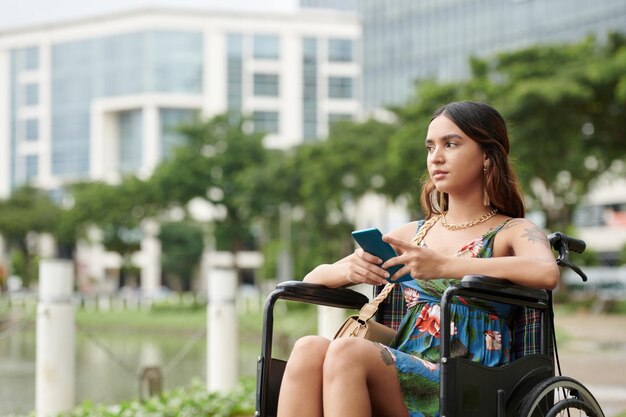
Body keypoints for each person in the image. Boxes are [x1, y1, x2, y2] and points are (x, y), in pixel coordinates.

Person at [275, 101, 560, 417]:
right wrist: (350, 270)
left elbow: (546, 272)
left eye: (451, 144)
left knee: (347, 352)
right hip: (401, 365)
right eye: (430, 147)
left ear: (486, 156)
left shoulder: (513, 230)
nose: (436, 157)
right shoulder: (414, 234)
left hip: (470, 379)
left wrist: (445, 266)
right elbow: (313, 279)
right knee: (307, 349)